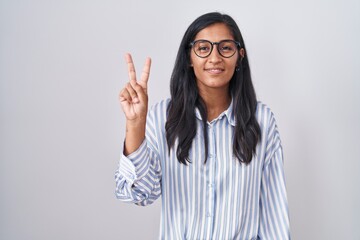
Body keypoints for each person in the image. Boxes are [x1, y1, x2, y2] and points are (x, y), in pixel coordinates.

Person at [115, 12, 291, 240]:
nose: (215, 57)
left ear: (240, 56)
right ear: (189, 57)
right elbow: (138, 194)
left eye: (225, 48)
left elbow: (273, 215)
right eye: (203, 48)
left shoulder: (261, 120)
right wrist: (135, 123)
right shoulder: (164, 117)